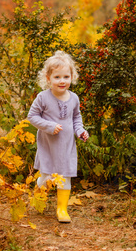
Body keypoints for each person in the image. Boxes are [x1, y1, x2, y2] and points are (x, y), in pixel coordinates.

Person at [27, 50, 89, 223]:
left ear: (72, 76)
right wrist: (49, 126)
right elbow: (32, 117)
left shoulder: (74, 98)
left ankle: (62, 209)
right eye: (57, 77)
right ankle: (38, 196)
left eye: (66, 77)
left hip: (67, 146)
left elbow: (76, 118)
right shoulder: (43, 98)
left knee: (65, 177)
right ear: (48, 78)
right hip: (49, 145)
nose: (62, 81)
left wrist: (81, 131)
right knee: (47, 177)